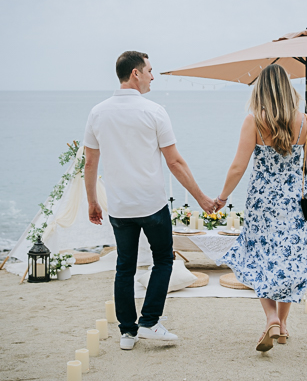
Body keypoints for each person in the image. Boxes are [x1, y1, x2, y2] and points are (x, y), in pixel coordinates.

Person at [83, 51, 217, 350]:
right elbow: (175, 163)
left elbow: (90, 163)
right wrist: (201, 198)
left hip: (119, 207)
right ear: (135, 74)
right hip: (152, 205)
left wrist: (93, 201)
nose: (153, 77)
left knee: (124, 268)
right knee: (163, 260)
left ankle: (128, 333)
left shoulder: (98, 112)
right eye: (150, 71)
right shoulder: (155, 111)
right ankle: (150, 323)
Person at [215, 64, 307, 352]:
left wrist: (223, 197)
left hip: (262, 205)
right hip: (295, 205)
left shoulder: (253, 121)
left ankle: (272, 318)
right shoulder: (306, 123)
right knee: (290, 262)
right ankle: (283, 325)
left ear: (261, 90)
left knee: (261, 260)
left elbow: (238, 167)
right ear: (288, 90)